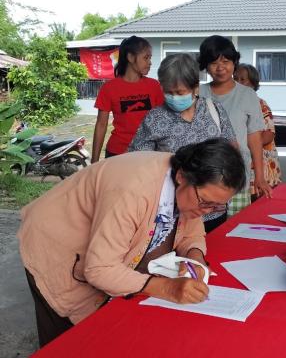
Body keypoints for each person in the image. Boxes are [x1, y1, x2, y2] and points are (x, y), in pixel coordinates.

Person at [17, 138, 246, 347]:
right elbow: (99, 269)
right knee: (68, 341)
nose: (206, 211)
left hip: (99, 250)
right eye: (205, 202)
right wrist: (166, 288)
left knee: (100, 333)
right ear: (182, 177)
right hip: (56, 244)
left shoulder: (189, 191)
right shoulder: (134, 189)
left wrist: (195, 259)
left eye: (216, 207)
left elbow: (192, 231)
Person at [129, 53, 237, 232]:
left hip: (213, 211)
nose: (173, 97)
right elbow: (138, 163)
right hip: (171, 213)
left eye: (179, 92)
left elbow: (231, 150)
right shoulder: (155, 118)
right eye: (168, 92)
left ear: (195, 87)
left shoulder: (214, 110)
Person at [197, 35, 272, 217]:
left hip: (238, 176)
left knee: (235, 229)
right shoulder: (197, 92)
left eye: (226, 61)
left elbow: (254, 138)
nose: (220, 67)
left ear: (234, 62)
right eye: (214, 62)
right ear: (205, 65)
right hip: (203, 177)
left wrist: (260, 178)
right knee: (204, 232)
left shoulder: (247, 95)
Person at [91, 35, 164, 163]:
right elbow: (101, 125)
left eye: (150, 58)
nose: (150, 62)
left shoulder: (154, 86)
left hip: (147, 152)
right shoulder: (109, 88)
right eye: (146, 58)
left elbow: (163, 121)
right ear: (130, 57)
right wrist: (94, 160)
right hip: (117, 153)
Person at [234, 63, 281, 199]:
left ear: (253, 83)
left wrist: (245, 141)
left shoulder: (260, 104)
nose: (237, 82)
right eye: (235, 78)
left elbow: (268, 134)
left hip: (260, 173)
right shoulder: (232, 104)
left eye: (242, 79)